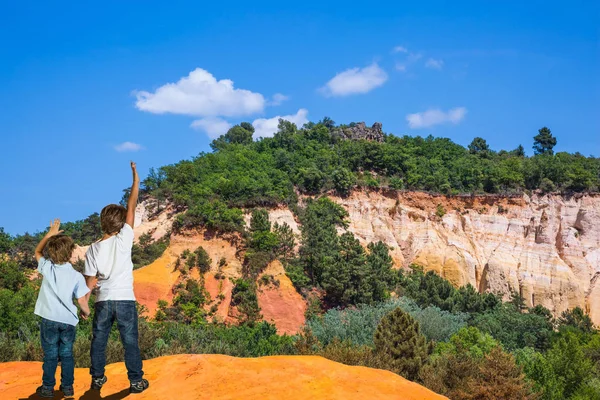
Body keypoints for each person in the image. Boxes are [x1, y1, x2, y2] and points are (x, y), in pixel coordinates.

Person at [84, 161, 149, 394]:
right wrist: (135, 181)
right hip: (124, 299)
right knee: (130, 341)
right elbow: (131, 207)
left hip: (102, 301)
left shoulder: (92, 249)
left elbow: (89, 282)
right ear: (122, 223)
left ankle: (98, 377)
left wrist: (83, 304)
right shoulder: (124, 239)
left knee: (98, 341)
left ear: (102, 221)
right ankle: (135, 381)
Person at [34, 219, 91, 398]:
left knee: (50, 355)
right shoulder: (76, 276)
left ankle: (47, 389)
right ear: (71, 252)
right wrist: (86, 312)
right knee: (66, 355)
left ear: (51, 253)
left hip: (49, 319)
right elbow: (81, 300)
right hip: (67, 321)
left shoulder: (47, 267)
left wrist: (49, 235)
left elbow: (37, 251)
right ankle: (67, 388)